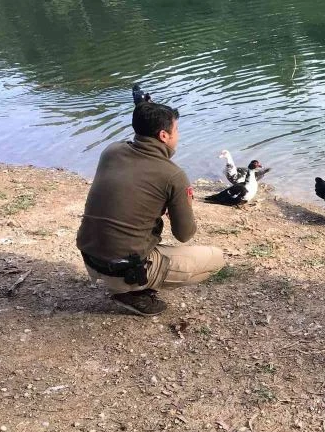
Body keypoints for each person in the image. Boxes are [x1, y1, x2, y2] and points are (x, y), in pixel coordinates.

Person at [77, 101, 224, 316]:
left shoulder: (111, 151)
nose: (178, 135)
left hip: (90, 256)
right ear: (164, 136)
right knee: (216, 259)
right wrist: (184, 200)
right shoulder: (173, 175)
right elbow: (184, 234)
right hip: (125, 269)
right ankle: (133, 292)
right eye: (176, 130)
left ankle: (128, 284)